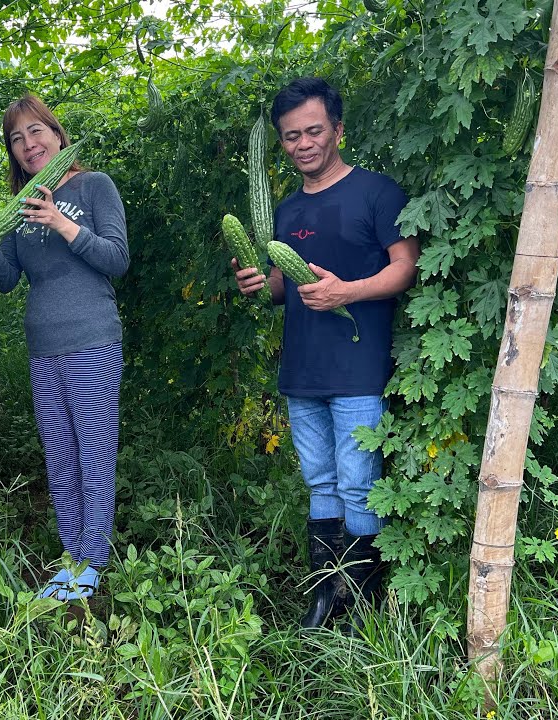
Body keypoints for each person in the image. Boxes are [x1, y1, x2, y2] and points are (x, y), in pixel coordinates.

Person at [233, 77, 420, 629]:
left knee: (359, 482)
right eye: (291, 136)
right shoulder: (285, 211)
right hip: (303, 369)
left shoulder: (378, 192)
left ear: (338, 129)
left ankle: (362, 604)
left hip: (360, 366)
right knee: (320, 481)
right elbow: (279, 287)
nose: (303, 143)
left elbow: (405, 268)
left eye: (314, 130)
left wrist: (349, 291)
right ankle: (326, 594)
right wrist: (256, 285)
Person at [0, 93, 128, 601]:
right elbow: (6, 281)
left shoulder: (94, 187)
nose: (28, 145)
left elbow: (117, 259)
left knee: (93, 452)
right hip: (42, 348)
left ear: (57, 133)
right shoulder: (22, 207)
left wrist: (64, 223)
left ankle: (93, 562)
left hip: (92, 339)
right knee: (61, 457)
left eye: (36, 131)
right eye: (16, 139)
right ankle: (71, 561)